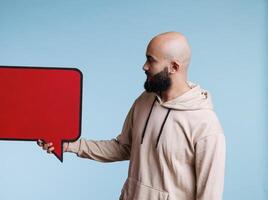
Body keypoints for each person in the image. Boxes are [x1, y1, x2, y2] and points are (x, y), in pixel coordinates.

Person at [37, 31, 226, 200]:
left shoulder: (205, 125)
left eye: (151, 60)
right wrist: (69, 144)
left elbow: (209, 195)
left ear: (174, 67)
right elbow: (123, 147)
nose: (144, 66)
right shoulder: (144, 101)